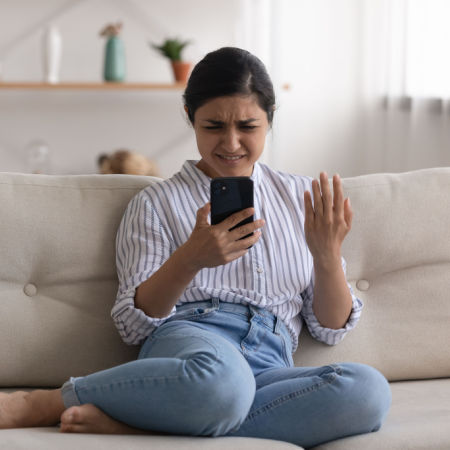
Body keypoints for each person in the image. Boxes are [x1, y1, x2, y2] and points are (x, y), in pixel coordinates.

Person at [0, 47, 391, 447]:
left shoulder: (300, 197)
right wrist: (191, 258)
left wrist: (326, 256)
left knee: (367, 391)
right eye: (214, 126)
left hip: (270, 361)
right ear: (190, 117)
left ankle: (145, 423)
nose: (231, 142)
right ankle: (49, 401)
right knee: (223, 381)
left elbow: (329, 329)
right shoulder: (156, 203)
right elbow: (132, 326)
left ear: (270, 117)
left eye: (247, 125)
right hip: (194, 347)